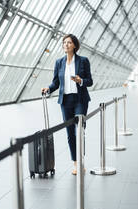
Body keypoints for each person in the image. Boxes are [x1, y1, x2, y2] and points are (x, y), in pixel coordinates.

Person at [42, 34, 93, 175]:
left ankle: (81, 160)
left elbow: (90, 81)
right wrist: (49, 88)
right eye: (64, 42)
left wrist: (80, 80)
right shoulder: (59, 62)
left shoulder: (83, 61)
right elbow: (56, 82)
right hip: (65, 101)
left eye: (69, 42)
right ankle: (76, 163)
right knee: (70, 133)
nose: (66, 45)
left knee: (80, 130)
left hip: (80, 100)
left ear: (75, 46)